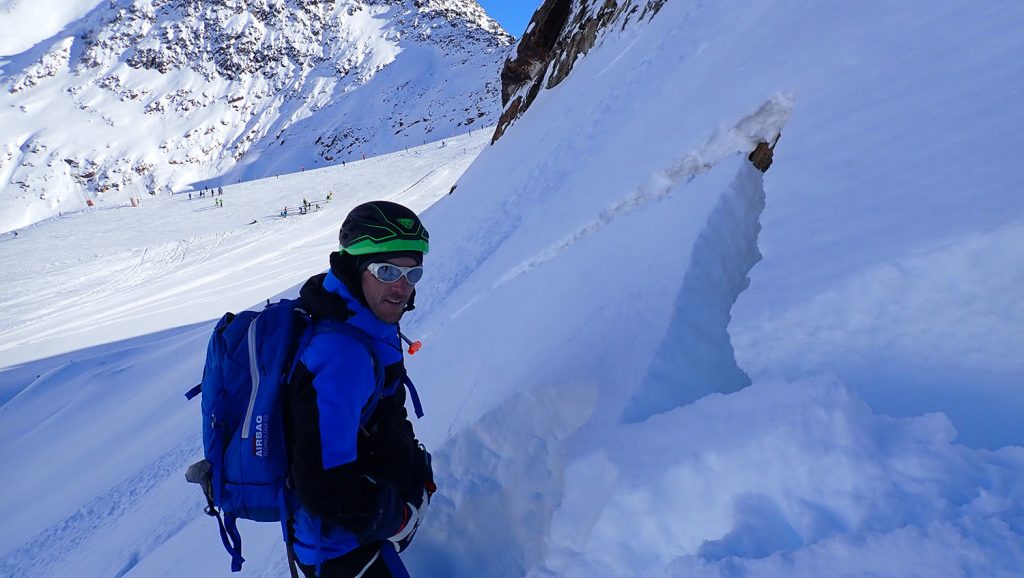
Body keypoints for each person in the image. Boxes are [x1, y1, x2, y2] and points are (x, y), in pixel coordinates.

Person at [287, 200, 435, 577]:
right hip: (340, 553)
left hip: (357, 533)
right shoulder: (343, 355)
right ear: (356, 268)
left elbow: (384, 412)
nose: (402, 287)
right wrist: (398, 516)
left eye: (412, 273)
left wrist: (412, 471)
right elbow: (324, 485)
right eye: (387, 270)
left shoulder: (368, 323)